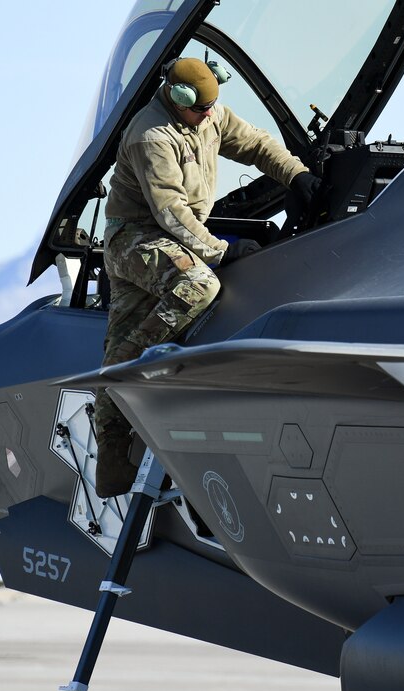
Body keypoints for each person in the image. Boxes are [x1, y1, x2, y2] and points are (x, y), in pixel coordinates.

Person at [93, 57, 322, 497]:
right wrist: (221, 250)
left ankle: (116, 425)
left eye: (213, 107)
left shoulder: (209, 112)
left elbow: (254, 143)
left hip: (172, 238)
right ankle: (131, 381)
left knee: (122, 333)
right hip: (135, 239)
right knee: (198, 285)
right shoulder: (151, 135)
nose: (210, 116)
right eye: (201, 110)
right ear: (179, 102)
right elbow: (171, 212)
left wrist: (297, 175)